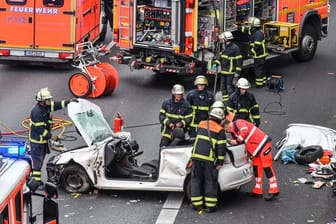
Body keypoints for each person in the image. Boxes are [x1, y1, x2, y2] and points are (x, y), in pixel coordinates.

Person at [223, 119, 280, 201]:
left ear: (226, 126)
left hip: (263, 145)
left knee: (267, 167)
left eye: (225, 130)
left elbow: (244, 131)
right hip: (256, 149)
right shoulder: (233, 131)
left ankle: (274, 190)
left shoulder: (238, 123)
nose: (226, 132)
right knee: (256, 168)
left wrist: (237, 141)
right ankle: (257, 190)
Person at [29, 87, 77, 185]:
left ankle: (34, 178)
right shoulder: (37, 112)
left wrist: (69, 102)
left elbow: (56, 105)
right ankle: (37, 183)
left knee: (40, 160)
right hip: (37, 141)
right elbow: (39, 129)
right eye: (48, 99)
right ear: (42, 101)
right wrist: (51, 136)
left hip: (42, 141)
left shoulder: (45, 107)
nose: (50, 101)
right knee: (37, 162)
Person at [190, 107, 227, 213]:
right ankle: (210, 206)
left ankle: (196, 205)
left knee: (196, 180)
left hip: (196, 157)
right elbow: (221, 148)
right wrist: (219, 162)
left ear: (210, 116)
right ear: (220, 119)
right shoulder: (220, 130)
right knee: (210, 182)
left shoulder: (201, 124)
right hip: (208, 160)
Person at [238, 17, 268, 87]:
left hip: (259, 55)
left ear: (253, 25)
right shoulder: (255, 31)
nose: (250, 25)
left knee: (258, 69)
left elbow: (257, 46)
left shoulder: (258, 34)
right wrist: (238, 27)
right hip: (260, 54)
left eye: (250, 24)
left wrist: (250, 53)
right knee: (261, 68)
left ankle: (259, 84)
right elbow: (247, 30)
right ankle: (263, 81)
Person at [215, 31, 243, 102]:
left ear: (226, 39)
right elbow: (221, 57)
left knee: (229, 88)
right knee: (223, 89)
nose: (222, 40)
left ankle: (232, 102)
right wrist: (217, 62)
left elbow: (239, 61)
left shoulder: (235, 48)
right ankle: (226, 102)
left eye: (223, 39)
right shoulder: (224, 47)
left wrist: (237, 73)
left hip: (230, 72)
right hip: (224, 71)